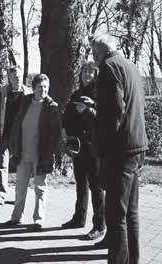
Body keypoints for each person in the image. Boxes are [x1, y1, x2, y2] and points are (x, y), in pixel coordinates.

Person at [89, 35, 148, 264]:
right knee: (130, 213)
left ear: (100, 51)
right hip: (137, 147)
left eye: (93, 51)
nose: (92, 56)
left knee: (115, 215)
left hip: (120, 151)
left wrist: (102, 152)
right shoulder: (131, 66)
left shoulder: (109, 67)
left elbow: (114, 112)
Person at [6, 73, 62, 231]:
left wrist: (54, 154)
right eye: (40, 87)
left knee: (40, 188)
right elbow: (17, 124)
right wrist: (13, 145)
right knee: (20, 187)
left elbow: (56, 133)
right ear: (34, 88)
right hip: (23, 153)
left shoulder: (52, 107)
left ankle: (38, 219)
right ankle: (16, 217)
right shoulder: (25, 102)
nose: (43, 90)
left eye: (46, 87)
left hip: (41, 155)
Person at [61, 62, 106, 241]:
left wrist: (88, 109)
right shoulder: (76, 94)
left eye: (90, 71)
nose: (86, 74)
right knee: (81, 185)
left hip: (94, 147)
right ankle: (79, 218)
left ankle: (99, 225)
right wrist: (65, 134)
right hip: (78, 146)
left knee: (96, 187)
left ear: (95, 74)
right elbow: (67, 117)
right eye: (84, 71)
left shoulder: (99, 94)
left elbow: (102, 119)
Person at [0, 65, 30, 205]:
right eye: (15, 76)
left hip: (21, 136)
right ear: (9, 78)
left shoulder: (28, 94)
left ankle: (20, 195)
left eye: (19, 76)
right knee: (2, 164)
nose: (18, 78)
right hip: (5, 134)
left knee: (21, 166)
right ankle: (0, 195)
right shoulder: (2, 93)